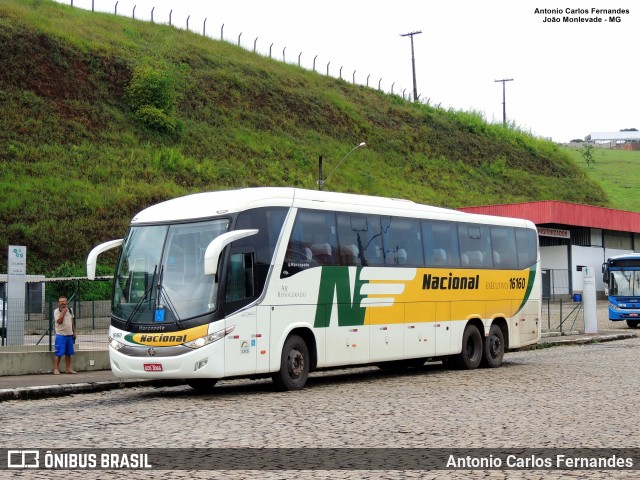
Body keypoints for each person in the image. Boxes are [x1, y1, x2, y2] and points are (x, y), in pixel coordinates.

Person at [53, 296, 77, 374]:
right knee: (59, 353)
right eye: (61, 302)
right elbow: (59, 321)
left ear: (66, 302)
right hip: (60, 335)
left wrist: (74, 331)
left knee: (68, 353)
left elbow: (72, 322)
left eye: (64, 301)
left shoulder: (70, 310)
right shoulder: (56, 311)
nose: (62, 303)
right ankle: (56, 369)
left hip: (69, 335)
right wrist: (63, 312)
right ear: (59, 303)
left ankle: (68, 368)